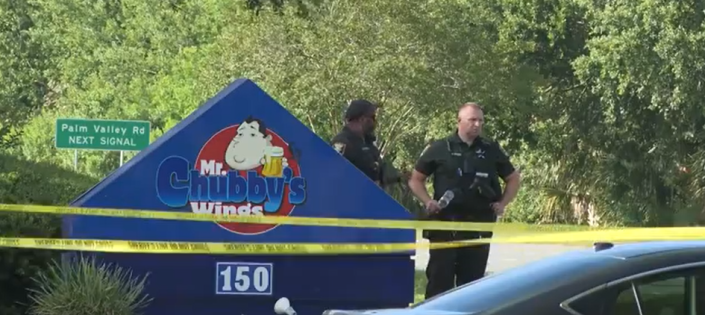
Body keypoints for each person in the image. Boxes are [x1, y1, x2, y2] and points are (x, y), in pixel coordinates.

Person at [407, 102, 521, 299]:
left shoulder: (490, 149)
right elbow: (416, 180)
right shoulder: (440, 148)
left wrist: (502, 203)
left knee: (471, 289)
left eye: (481, 121)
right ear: (459, 121)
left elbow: (513, 179)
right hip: (445, 226)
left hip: (478, 227)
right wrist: (428, 201)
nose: (477, 124)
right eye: (472, 120)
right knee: (439, 285)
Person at [331, 99, 403, 186]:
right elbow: (333, 175)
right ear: (362, 119)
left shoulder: (369, 145)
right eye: (373, 117)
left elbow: (380, 172)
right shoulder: (342, 142)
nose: (375, 122)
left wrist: (400, 176)